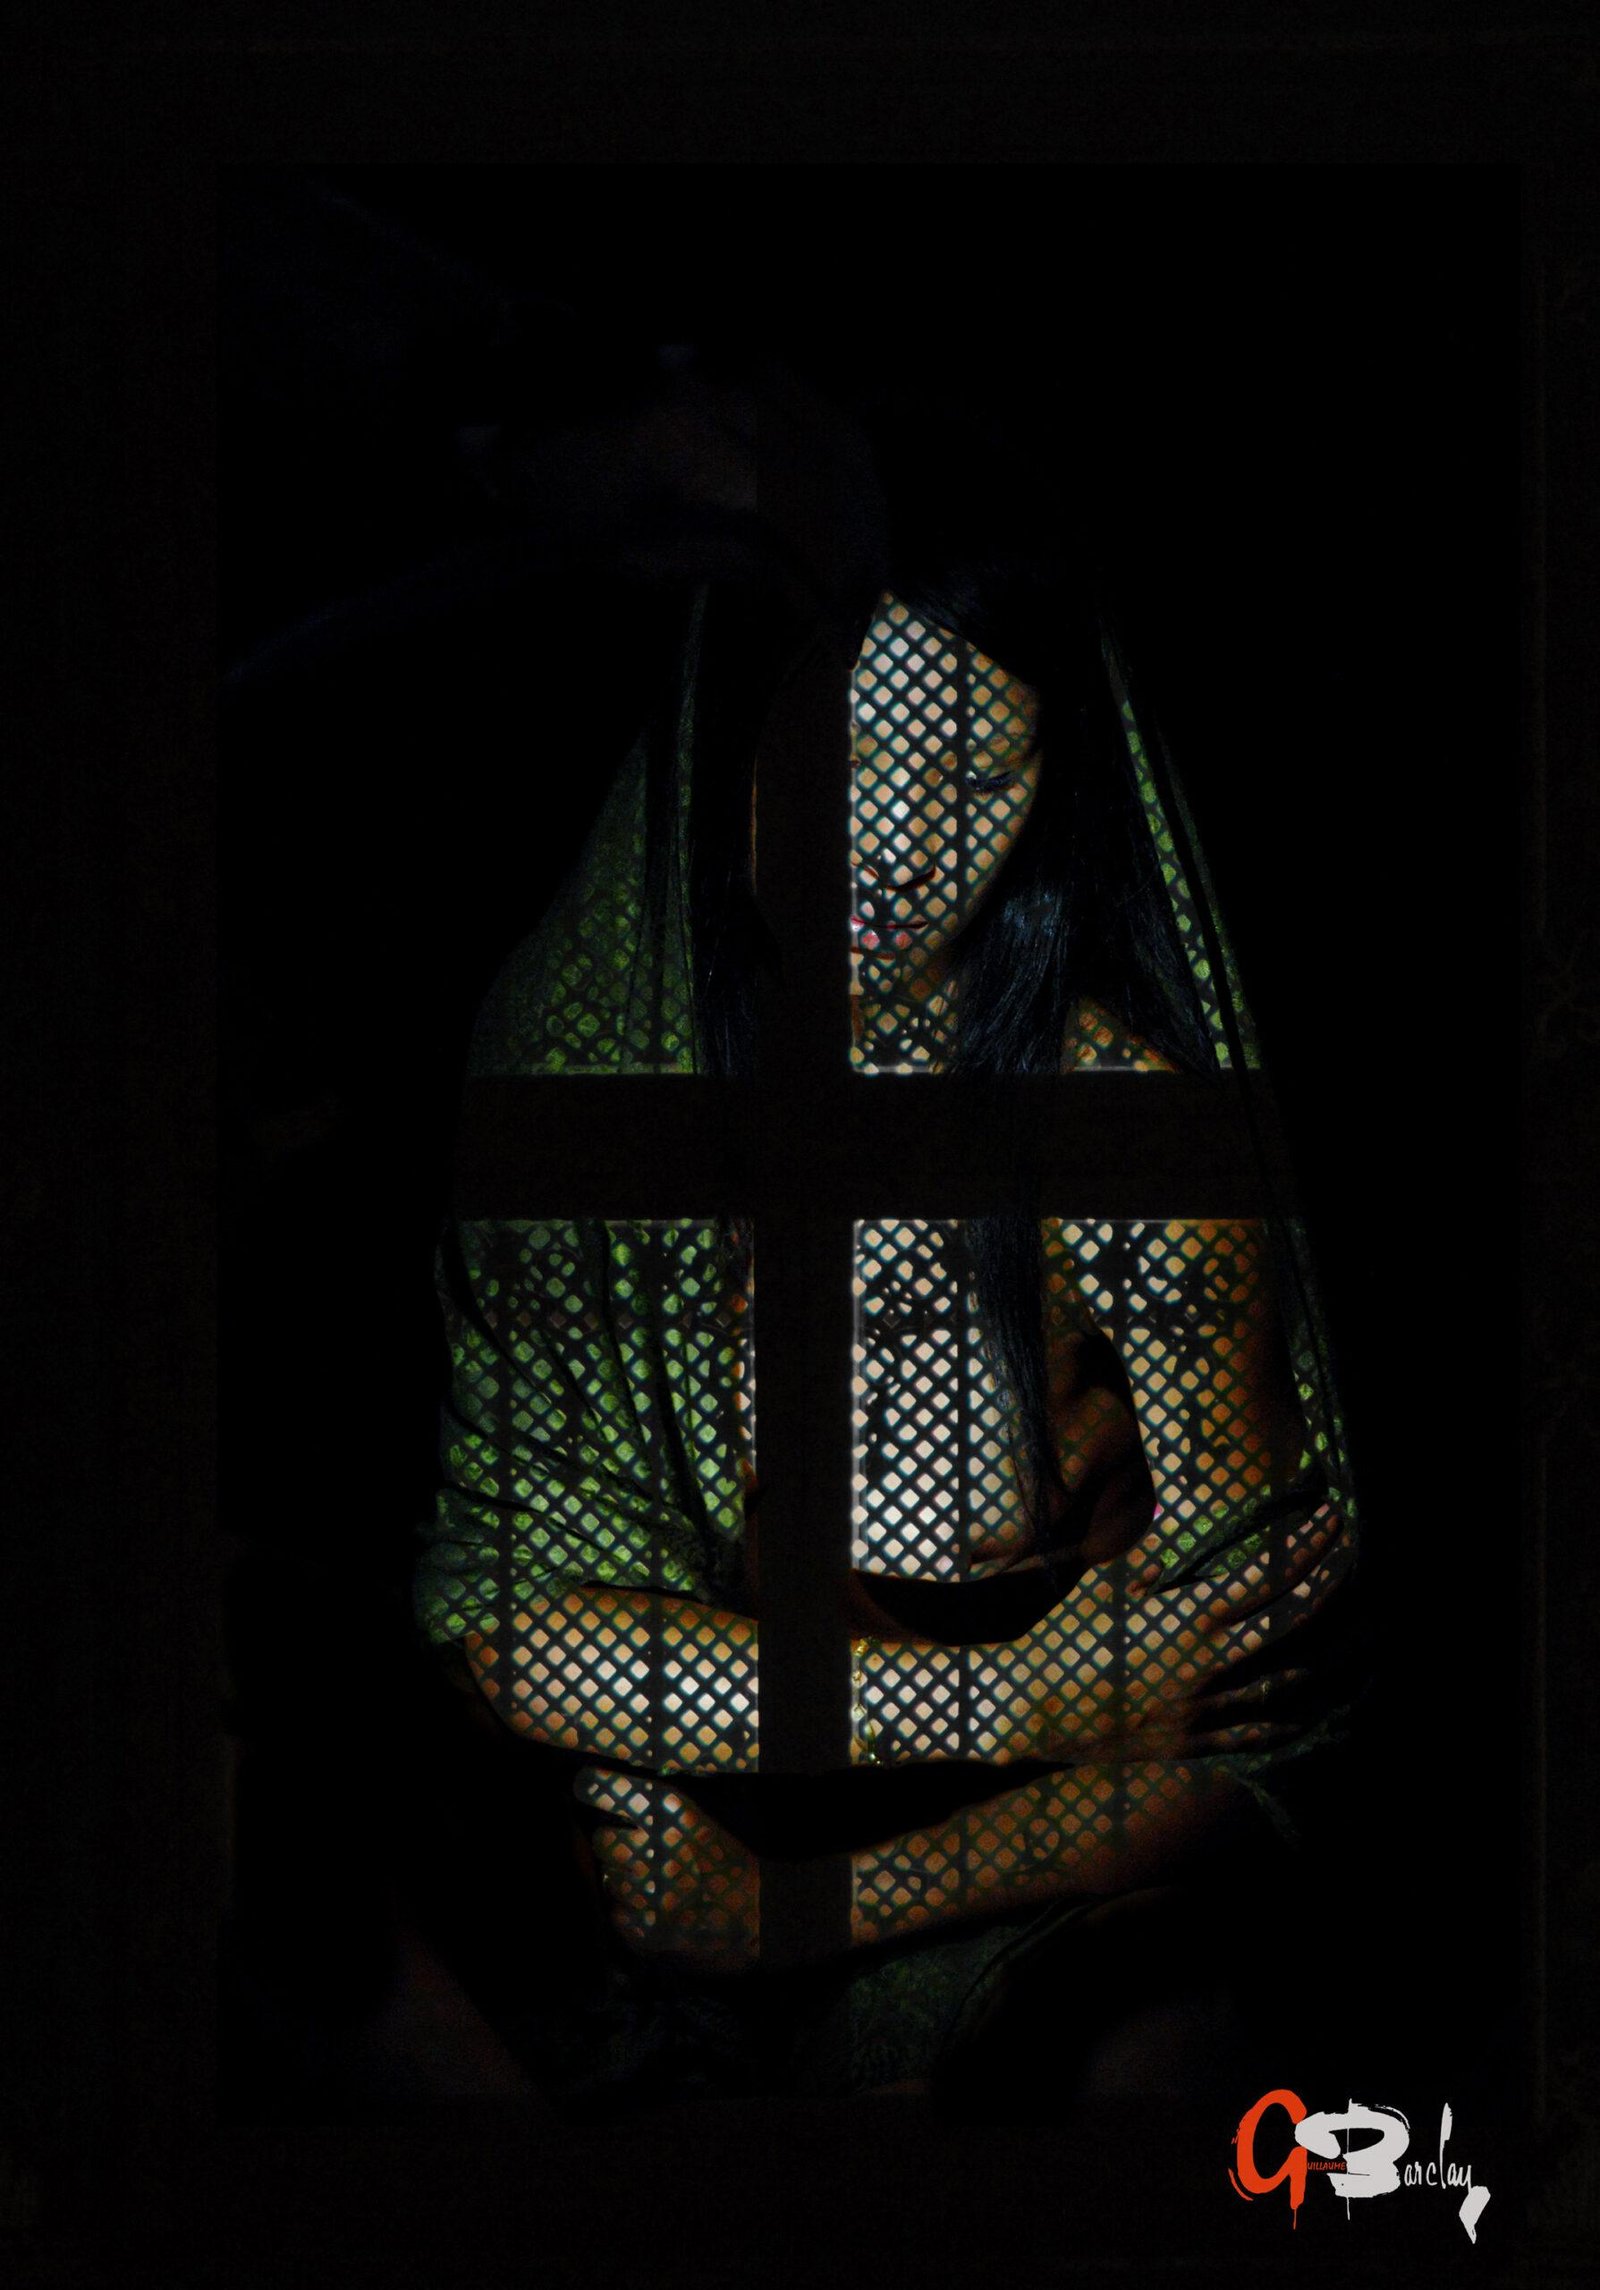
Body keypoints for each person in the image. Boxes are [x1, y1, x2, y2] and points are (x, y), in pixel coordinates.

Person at [412, 444, 1360, 2110]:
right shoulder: (589, 1060)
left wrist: (788, 1907)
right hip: (639, 1929)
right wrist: (1008, 1692)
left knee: (1155, 2078)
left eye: (974, 776)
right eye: (851, 746)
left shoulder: (1121, 1134)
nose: (897, 845)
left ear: (1053, 786)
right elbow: (511, 1623)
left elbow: (1255, 1732)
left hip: (1027, 1899)